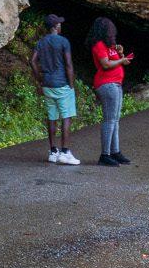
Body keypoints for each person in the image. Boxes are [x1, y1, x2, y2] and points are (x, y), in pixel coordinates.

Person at [30, 14, 80, 164]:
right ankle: (65, 152)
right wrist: (71, 85)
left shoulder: (41, 42)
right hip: (62, 84)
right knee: (66, 116)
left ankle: (53, 152)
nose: (60, 25)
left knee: (52, 117)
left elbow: (32, 61)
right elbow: (69, 65)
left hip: (47, 85)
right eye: (59, 23)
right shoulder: (63, 41)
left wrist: (39, 77)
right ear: (55, 26)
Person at [88, 16, 133, 167]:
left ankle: (115, 152)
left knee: (115, 119)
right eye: (108, 30)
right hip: (107, 84)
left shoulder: (109, 45)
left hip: (116, 84)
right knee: (109, 120)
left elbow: (116, 60)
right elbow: (106, 64)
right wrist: (121, 61)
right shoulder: (98, 45)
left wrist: (120, 54)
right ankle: (104, 155)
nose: (111, 33)